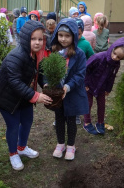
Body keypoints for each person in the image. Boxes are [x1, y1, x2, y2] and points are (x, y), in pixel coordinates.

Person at [0, 20, 52, 170]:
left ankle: (22, 147)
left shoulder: (37, 54)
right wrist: (36, 96)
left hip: (24, 95)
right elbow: (14, 81)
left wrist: (45, 84)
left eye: (40, 39)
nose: (37, 42)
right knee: (13, 126)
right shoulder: (16, 56)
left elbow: (40, 72)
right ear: (25, 39)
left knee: (27, 121)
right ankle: (13, 154)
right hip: (7, 98)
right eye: (33, 39)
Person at [48, 18, 89, 160]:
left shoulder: (79, 54)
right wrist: (48, 83)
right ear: (56, 36)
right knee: (59, 119)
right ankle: (60, 144)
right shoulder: (54, 53)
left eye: (67, 36)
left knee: (71, 120)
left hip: (72, 94)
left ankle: (71, 145)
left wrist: (68, 86)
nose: (63, 39)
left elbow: (80, 74)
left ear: (73, 36)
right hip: (58, 95)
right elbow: (48, 71)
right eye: (60, 35)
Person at [84, 37, 124, 135]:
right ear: (113, 48)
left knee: (102, 105)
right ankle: (87, 122)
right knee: (87, 104)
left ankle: (100, 122)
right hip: (90, 85)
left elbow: (112, 77)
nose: (115, 57)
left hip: (102, 87)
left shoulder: (116, 64)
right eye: (114, 53)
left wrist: (108, 89)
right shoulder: (98, 57)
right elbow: (85, 69)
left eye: (119, 57)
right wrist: (85, 83)